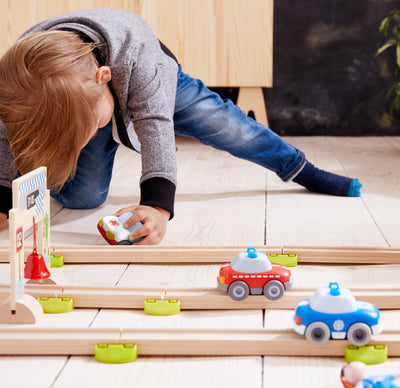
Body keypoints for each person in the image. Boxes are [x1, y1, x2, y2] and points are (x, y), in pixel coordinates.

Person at [0, 8, 362, 245]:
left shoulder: (141, 66)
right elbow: (7, 133)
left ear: (103, 78)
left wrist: (157, 206)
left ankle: (302, 169)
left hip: (156, 79)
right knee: (82, 199)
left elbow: (157, 131)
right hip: (76, 99)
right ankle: (91, 135)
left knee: (225, 124)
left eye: (94, 123)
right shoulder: (21, 83)